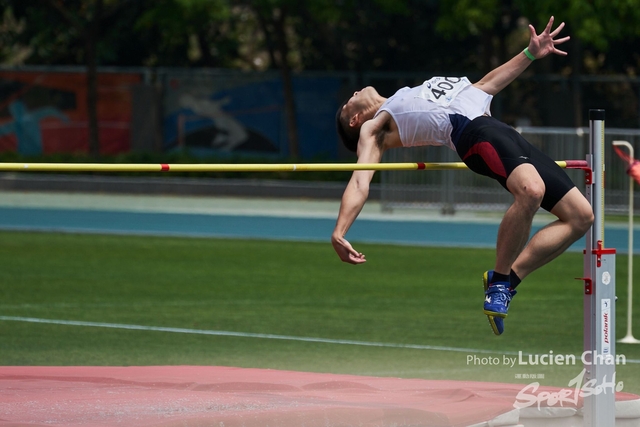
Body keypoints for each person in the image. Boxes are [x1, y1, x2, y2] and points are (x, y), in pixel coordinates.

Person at [331, 16, 594, 336]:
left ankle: (508, 280)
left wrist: (528, 54)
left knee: (581, 216)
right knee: (532, 191)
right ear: (356, 119)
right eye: (348, 102)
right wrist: (340, 231)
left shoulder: (406, 94)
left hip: (499, 131)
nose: (355, 91)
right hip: (474, 135)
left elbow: (484, 86)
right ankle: (498, 283)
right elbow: (361, 179)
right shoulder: (376, 128)